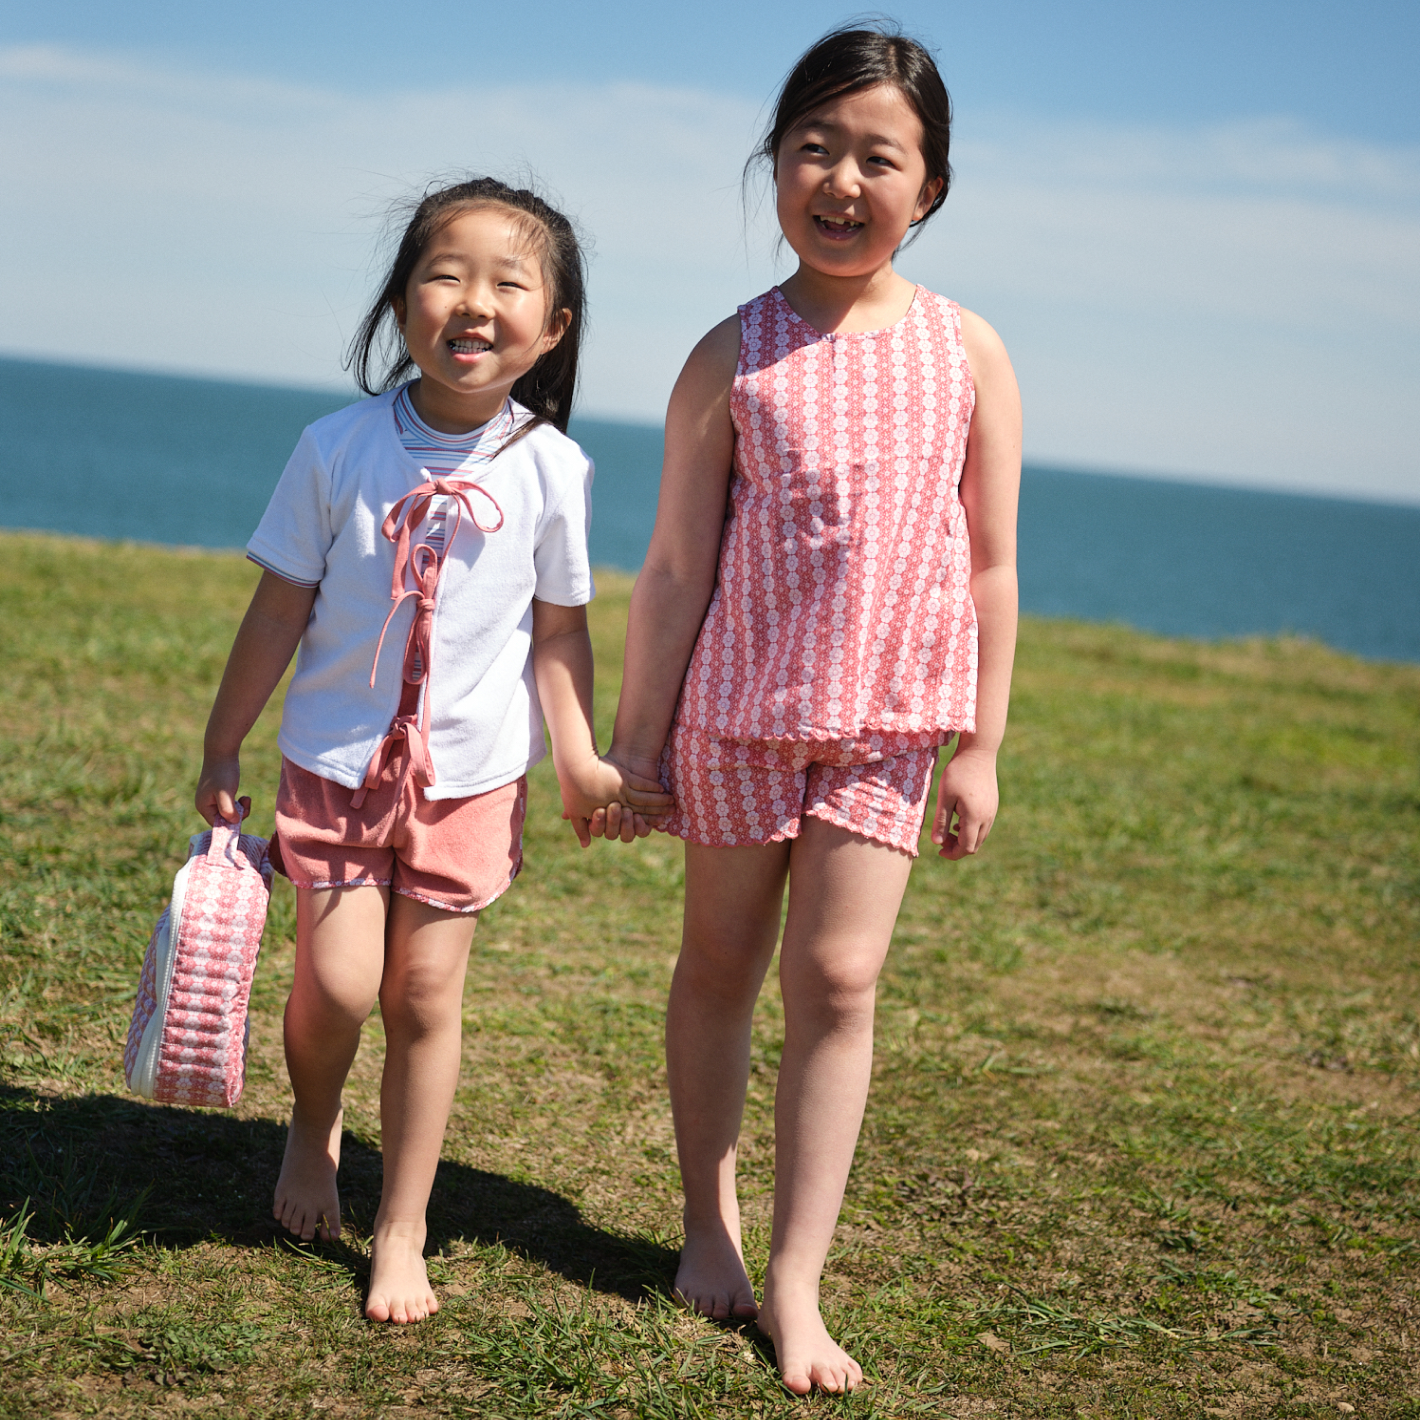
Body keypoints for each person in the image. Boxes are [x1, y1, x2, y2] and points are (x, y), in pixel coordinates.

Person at [597, 27, 1022, 1395]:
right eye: (813, 150)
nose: (842, 181)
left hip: (894, 725)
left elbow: (992, 560)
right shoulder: (733, 354)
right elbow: (671, 568)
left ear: (932, 186)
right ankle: (708, 1226)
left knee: (839, 981)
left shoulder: (970, 352)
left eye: (878, 157)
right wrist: (637, 740)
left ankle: (797, 1277)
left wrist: (985, 745)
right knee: (720, 969)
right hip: (736, 717)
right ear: (774, 168)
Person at [195, 177, 669, 1324]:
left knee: (421, 994)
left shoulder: (553, 469)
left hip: (469, 780)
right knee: (342, 983)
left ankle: (402, 1221)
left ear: (551, 329)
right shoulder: (335, 447)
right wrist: (223, 741)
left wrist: (578, 759)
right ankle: (313, 1129)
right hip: (335, 763)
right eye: (445, 273)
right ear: (403, 299)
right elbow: (277, 609)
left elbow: (557, 634)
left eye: (510, 283)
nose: (474, 302)